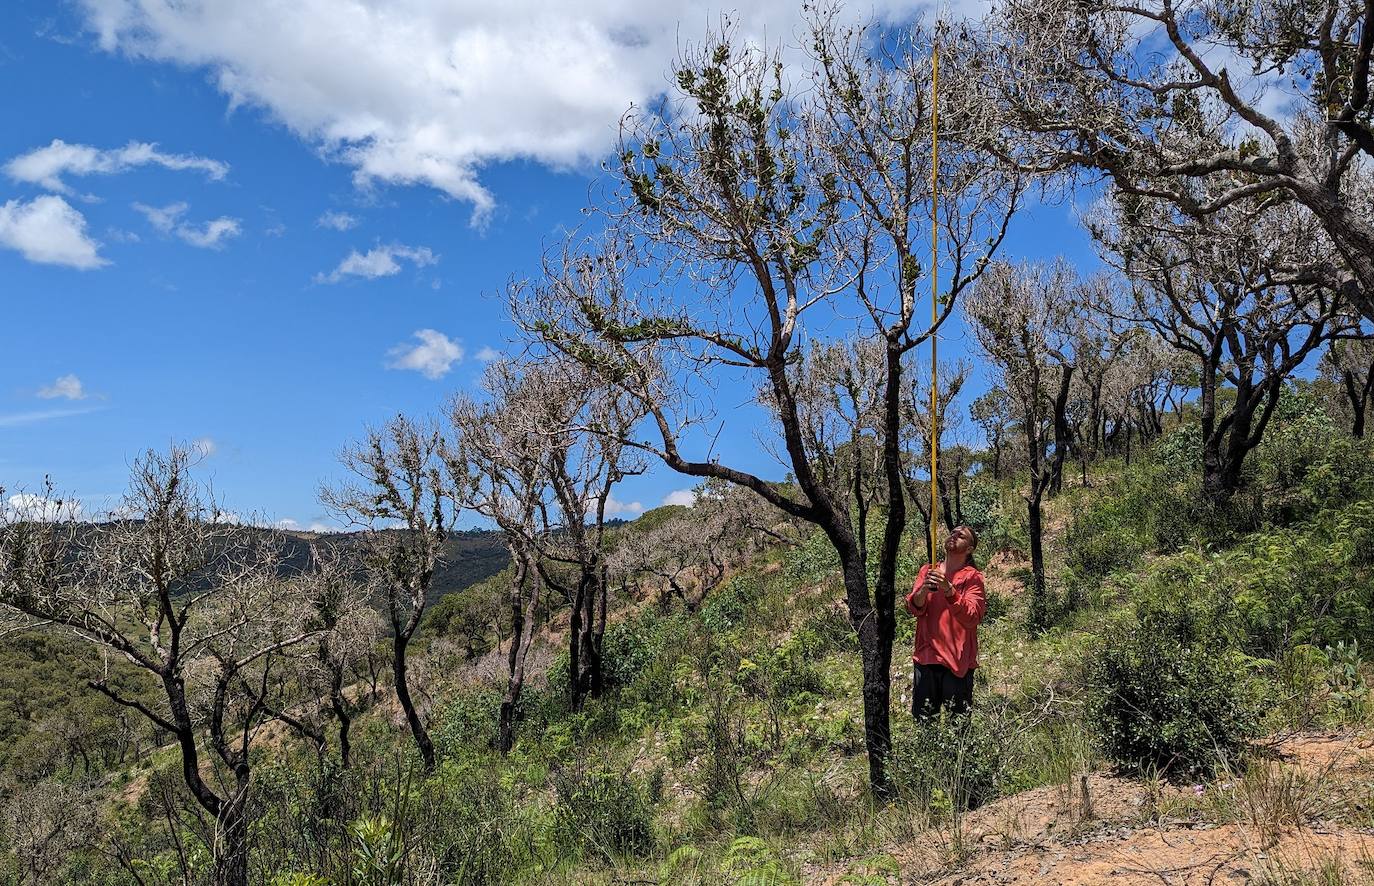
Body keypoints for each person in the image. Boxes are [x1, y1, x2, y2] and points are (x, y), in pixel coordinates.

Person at [904, 525, 987, 718]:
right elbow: (914, 607)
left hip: (958, 662)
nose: (955, 535)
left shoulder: (972, 577)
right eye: (953, 533)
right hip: (926, 657)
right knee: (924, 724)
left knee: (958, 727)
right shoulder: (927, 570)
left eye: (962, 536)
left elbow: (972, 616)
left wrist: (949, 590)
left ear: (969, 549)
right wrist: (923, 590)